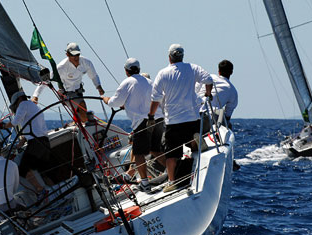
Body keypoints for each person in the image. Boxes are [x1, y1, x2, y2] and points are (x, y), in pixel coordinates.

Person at [149, 44, 213, 193]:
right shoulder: (192, 68)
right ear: (182, 56)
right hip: (192, 116)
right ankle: (195, 141)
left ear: (169, 57)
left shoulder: (163, 73)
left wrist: (151, 116)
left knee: (172, 154)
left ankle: (172, 182)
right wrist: (208, 95)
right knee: (190, 138)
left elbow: (155, 98)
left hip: (173, 120)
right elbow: (208, 79)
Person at [102, 58, 153, 193]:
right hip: (155, 120)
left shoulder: (127, 82)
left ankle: (145, 184)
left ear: (126, 71)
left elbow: (114, 102)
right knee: (156, 149)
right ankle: (175, 175)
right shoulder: (149, 82)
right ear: (139, 69)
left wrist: (105, 99)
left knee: (138, 153)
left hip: (140, 123)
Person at [0, 91, 52, 199]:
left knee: (23, 170)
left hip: (36, 143)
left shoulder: (23, 104)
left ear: (18, 100)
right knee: (42, 171)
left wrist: (2, 126)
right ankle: (53, 190)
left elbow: (15, 122)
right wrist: (19, 145)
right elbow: (29, 130)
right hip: (45, 142)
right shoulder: (33, 106)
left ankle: (41, 192)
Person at [57, 42, 105, 123]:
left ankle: (79, 124)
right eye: (73, 55)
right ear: (67, 54)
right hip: (65, 94)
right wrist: (35, 96)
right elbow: (47, 79)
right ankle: (84, 125)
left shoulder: (86, 62)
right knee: (82, 105)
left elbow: (93, 76)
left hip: (78, 93)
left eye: (77, 54)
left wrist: (99, 87)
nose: (76, 57)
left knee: (81, 111)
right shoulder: (61, 67)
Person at [196, 59, 238, 129]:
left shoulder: (208, 77)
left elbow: (195, 90)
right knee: (225, 120)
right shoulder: (232, 90)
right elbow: (228, 115)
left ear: (219, 71)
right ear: (231, 72)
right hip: (209, 116)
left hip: (193, 111)